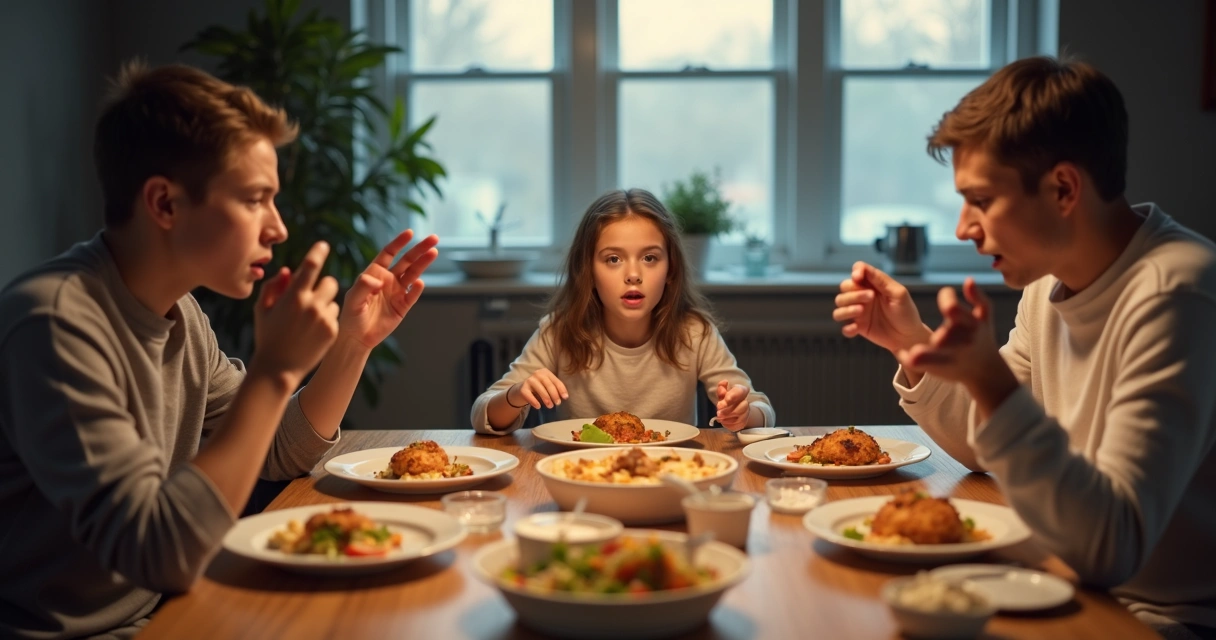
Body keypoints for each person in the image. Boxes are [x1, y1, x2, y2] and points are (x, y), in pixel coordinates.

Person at [0, 62, 439, 639]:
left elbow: (280, 450)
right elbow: (160, 553)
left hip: (172, 612)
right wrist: (273, 371)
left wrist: (353, 343)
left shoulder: (181, 313)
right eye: (256, 199)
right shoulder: (54, 324)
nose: (278, 228)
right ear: (164, 204)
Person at [833, 56, 1216, 637]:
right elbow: (991, 447)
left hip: (1149, 618)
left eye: (981, 200)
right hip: (1058, 579)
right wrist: (912, 343)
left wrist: (990, 380)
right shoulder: (1048, 283)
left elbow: (1111, 547)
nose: (963, 227)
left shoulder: (1175, 293)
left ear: (1064, 188)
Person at [471, 188, 774, 435]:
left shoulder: (694, 332)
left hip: (668, 477)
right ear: (587, 270)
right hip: (580, 475)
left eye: (650, 258)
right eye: (613, 259)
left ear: (671, 270)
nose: (633, 274)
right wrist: (515, 396)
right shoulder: (559, 331)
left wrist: (744, 413)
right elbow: (483, 414)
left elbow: (762, 410)